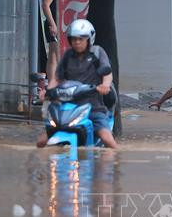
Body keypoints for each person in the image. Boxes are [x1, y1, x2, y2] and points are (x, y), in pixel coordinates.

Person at [37, 18, 118, 148]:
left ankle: (111, 166)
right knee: (40, 142)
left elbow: (107, 73)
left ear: (89, 39)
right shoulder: (68, 55)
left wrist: (105, 85)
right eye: (74, 39)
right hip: (69, 106)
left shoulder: (97, 52)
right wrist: (47, 92)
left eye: (81, 39)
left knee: (108, 140)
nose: (77, 42)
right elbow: (57, 78)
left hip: (93, 107)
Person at [42, 0, 72, 83]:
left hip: (57, 24)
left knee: (54, 56)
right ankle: (53, 83)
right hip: (53, 24)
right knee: (55, 56)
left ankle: (54, 82)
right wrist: (53, 24)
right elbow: (45, 5)